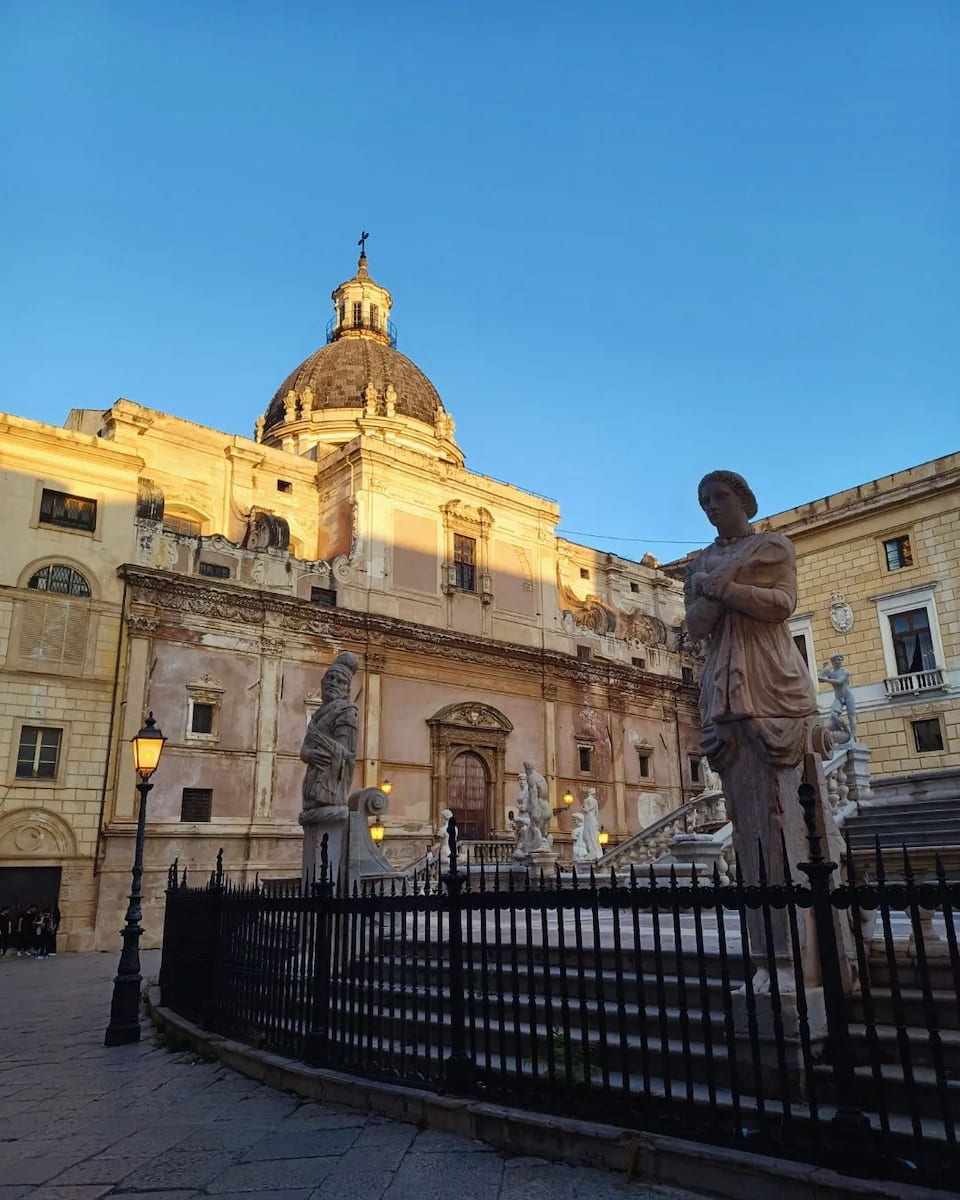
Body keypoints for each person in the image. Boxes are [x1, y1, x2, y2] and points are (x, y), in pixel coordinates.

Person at [685, 471, 821, 982]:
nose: (711, 507)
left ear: (742, 499)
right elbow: (696, 625)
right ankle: (772, 957)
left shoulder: (773, 546)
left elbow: (782, 605)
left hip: (770, 671)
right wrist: (714, 592)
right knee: (747, 812)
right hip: (722, 676)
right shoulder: (699, 562)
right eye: (704, 501)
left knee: (788, 810)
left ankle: (794, 959)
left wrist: (725, 589)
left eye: (719, 497)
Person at [299, 651, 360, 885]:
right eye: (330, 680)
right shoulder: (317, 715)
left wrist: (317, 747)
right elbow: (305, 748)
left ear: (347, 690)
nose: (334, 684)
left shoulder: (347, 712)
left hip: (330, 784)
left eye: (341, 681)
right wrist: (308, 753)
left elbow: (346, 752)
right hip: (314, 781)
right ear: (323, 684)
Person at [818, 654, 857, 743]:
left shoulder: (845, 671)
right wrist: (823, 668)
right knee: (833, 715)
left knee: (851, 716)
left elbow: (839, 682)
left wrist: (826, 679)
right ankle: (844, 730)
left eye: (840, 660)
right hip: (838, 698)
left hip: (848, 696)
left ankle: (853, 737)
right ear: (833, 661)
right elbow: (819, 678)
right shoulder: (831, 673)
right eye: (837, 660)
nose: (840, 662)